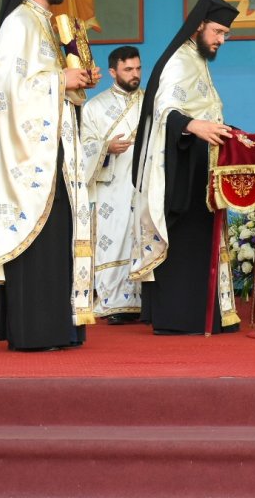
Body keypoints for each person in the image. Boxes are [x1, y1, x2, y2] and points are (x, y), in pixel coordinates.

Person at [0, 0, 99, 352]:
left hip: (55, 153)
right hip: (30, 159)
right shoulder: (18, 24)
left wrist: (76, 81)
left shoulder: (47, 24)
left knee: (58, 237)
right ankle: (36, 330)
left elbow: (52, 87)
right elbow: (5, 88)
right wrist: (62, 80)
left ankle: (59, 326)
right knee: (39, 240)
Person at [131, 0, 242, 335]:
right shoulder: (179, 60)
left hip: (198, 162)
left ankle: (202, 315)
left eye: (224, 33)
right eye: (218, 31)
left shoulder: (197, 59)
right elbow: (165, 110)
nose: (221, 40)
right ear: (199, 26)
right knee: (185, 241)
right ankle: (181, 319)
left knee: (199, 241)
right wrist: (196, 126)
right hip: (180, 166)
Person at [80, 45, 144, 324]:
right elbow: (84, 148)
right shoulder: (94, 107)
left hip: (143, 183)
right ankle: (114, 302)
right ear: (112, 72)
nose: (135, 75)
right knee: (114, 240)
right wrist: (105, 148)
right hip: (110, 187)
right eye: (128, 69)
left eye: (138, 68)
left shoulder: (151, 102)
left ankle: (145, 302)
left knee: (142, 240)